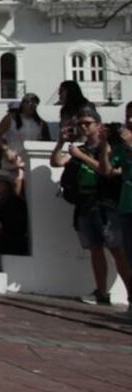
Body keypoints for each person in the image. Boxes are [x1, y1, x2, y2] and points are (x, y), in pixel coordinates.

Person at [52, 103, 132, 305]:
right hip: (86, 203)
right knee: (95, 249)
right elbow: (56, 161)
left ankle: (131, 294)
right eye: (80, 124)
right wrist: (60, 142)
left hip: (107, 204)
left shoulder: (112, 146)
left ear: (98, 124)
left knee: (118, 250)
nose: (83, 128)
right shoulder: (80, 148)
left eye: (87, 123)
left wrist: (82, 157)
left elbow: (107, 171)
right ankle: (102, 292)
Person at [102, 101, 132, 316]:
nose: (129, 121)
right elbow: (108, 171)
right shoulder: (122, 145)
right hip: (126, 205)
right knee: (129, 256)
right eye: (128, 116)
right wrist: (105, 145)